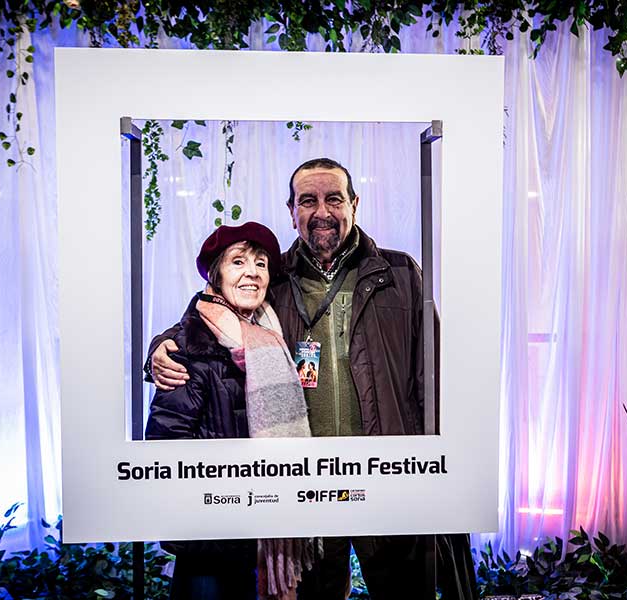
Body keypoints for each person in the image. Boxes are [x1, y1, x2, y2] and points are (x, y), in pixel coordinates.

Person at [146, 158, 475, 600]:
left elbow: (433, 376)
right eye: (308, 201)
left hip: (388, 476)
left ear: (354, 204)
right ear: (292, 211)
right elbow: (213, 311)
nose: (322, 211)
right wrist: (161, 345)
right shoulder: (275, 277)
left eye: (334, 198)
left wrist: (437, 465)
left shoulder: (399, 274)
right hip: (307, 486)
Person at [144, 221, 315, 600]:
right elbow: (166, 445)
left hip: (256, 532)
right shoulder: (189, 345)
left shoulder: (272, 336)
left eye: (260, 263)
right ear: (216, 276)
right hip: (209, 539)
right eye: (238, 262)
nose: (252, 272)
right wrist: (213, 505)